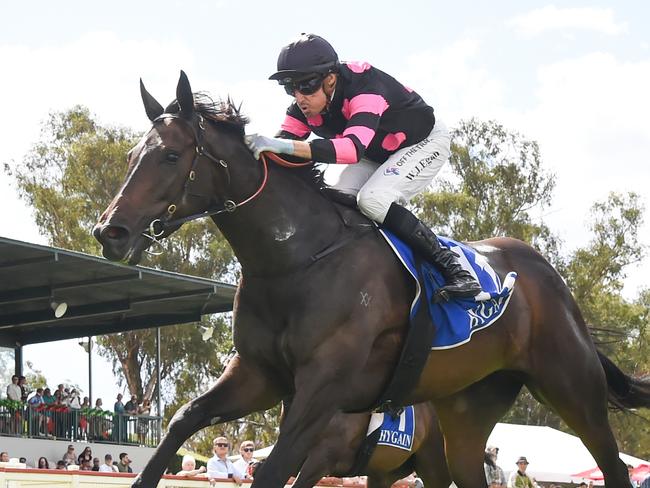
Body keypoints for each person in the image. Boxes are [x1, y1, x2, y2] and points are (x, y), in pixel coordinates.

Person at [245, 33, 482, 300]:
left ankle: (457, 270)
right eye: (291, 89)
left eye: (306, 86)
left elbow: (350, 149)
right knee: (335, 201)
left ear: (330, 78)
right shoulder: (304, 107)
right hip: (377, 152)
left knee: (373, 200)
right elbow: (281, 149)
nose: (300, 98)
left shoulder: (366, 88)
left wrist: (282, 147)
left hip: (423, 142)